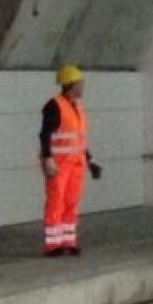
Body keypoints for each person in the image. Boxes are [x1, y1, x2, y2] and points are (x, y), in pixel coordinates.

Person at [39, 65, 102, 256]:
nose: (82, 86)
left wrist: (89, 161)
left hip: (75, 163)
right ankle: (53, 245)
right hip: (59, 164)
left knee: (71, 203)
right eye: (79, 82)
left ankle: (68, 242)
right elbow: (45, 134)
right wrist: (48, 158)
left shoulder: (77, 108)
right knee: (56, 203)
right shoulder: (54, 105)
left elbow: (77, 139)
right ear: (70, 84)